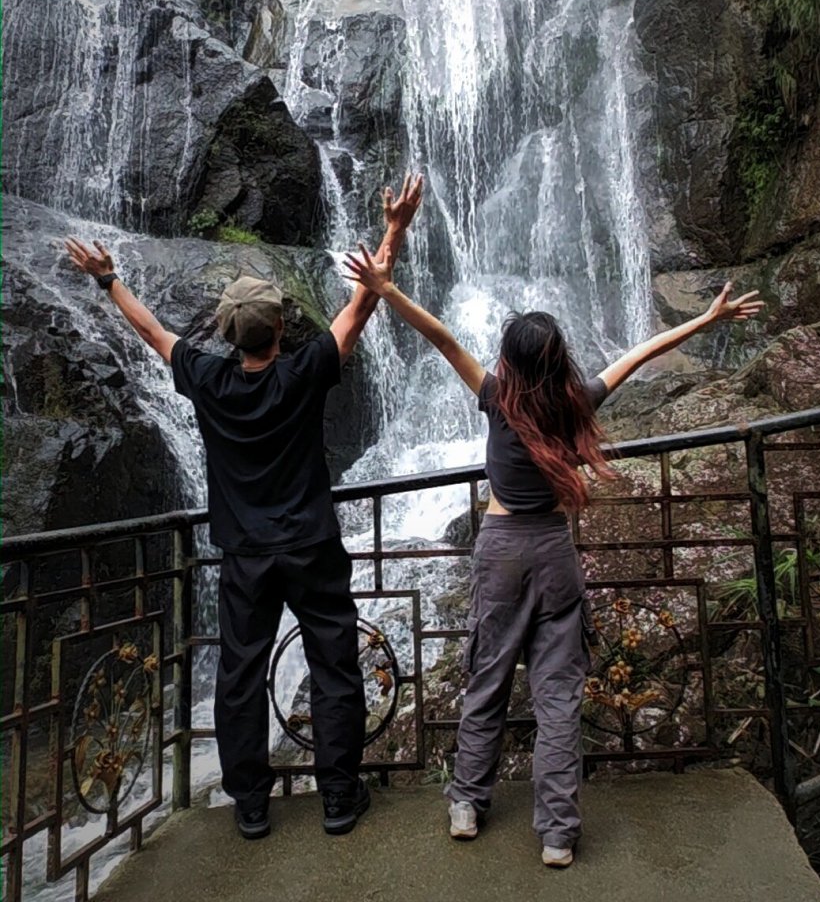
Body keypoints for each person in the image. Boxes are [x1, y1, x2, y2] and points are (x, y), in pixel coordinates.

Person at [343, 246, 764, 868]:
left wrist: (384, 287)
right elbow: (640, 353)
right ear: (558, 360)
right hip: (554, 551)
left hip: (501, 550)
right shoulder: (578, 402)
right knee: (559, 696)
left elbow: (439, 335)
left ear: (509, 363)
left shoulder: (494, 397)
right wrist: (706, 319)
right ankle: (558, 835)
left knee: (488, 676)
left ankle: (466, 803)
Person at [63, 174, 423, 841]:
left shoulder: (207, 378)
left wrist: (108, 279)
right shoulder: (308, 367)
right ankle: (339, 798)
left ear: (227, 334)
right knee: (334, 665)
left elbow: (151, 332)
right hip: (312, 544)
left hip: (245, 553)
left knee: (239, 672)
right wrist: (394, 230)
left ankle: (251, 805)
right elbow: (361, 307)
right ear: (282, 328)